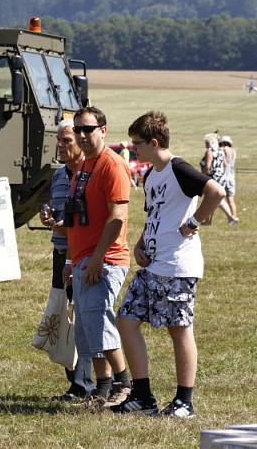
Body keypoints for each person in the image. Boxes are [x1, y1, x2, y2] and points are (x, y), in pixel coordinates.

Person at [113, 111, 225, 417]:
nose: (133, 148)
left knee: (179, 329)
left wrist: (194, 221)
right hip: (152, 265)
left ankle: (184, 402)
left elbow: (216, 192)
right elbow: (155, 216)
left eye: (137, 143)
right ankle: (143, 397)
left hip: (177, 266)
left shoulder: (178, 168)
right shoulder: (151, 175)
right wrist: (139, 243)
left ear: (153, 142)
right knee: (126, 320)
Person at [64, 106, 133, 409]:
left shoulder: (111, 165)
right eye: (78, 129)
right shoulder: (83, 165)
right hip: (83, 258)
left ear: (103, 130)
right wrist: (71, 260)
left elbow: (117, 217)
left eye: (88, 129)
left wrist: (96, 258)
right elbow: (77, 215)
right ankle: (102, 389)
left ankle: (124, 383)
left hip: (105, 260)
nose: (81, 135)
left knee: (100, 323)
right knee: (88, 329)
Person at [39, 119, 97, 401]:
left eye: (66, 141)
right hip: (60, 251)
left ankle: (84, 383)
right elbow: (57, 208)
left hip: (80, 255)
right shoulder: (60, 175)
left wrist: (64, 227)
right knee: (65, 316)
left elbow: (88, 223)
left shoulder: (88, 176)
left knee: (81, 320)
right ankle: (76, 382)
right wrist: (48, 213)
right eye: (58, 141)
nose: (60, 146)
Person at [199, 133, 235, 225]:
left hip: (212, 178)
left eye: (206, 142)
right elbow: (225, 164)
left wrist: (202, 176)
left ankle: (231, 217)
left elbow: (207, 166)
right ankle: (208, 220)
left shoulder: (209, 151)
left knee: (214, 199)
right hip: (221, 177)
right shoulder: (219, 151)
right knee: (213, 199)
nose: (205, 144)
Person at [220, 135, 238, 225]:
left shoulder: (223, 150)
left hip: (225, 176)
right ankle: (234, 216)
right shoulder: (234, 151)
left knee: (219, 198)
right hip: (232, 176)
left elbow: (225, 163)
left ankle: (231, 217)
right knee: (231, 199)